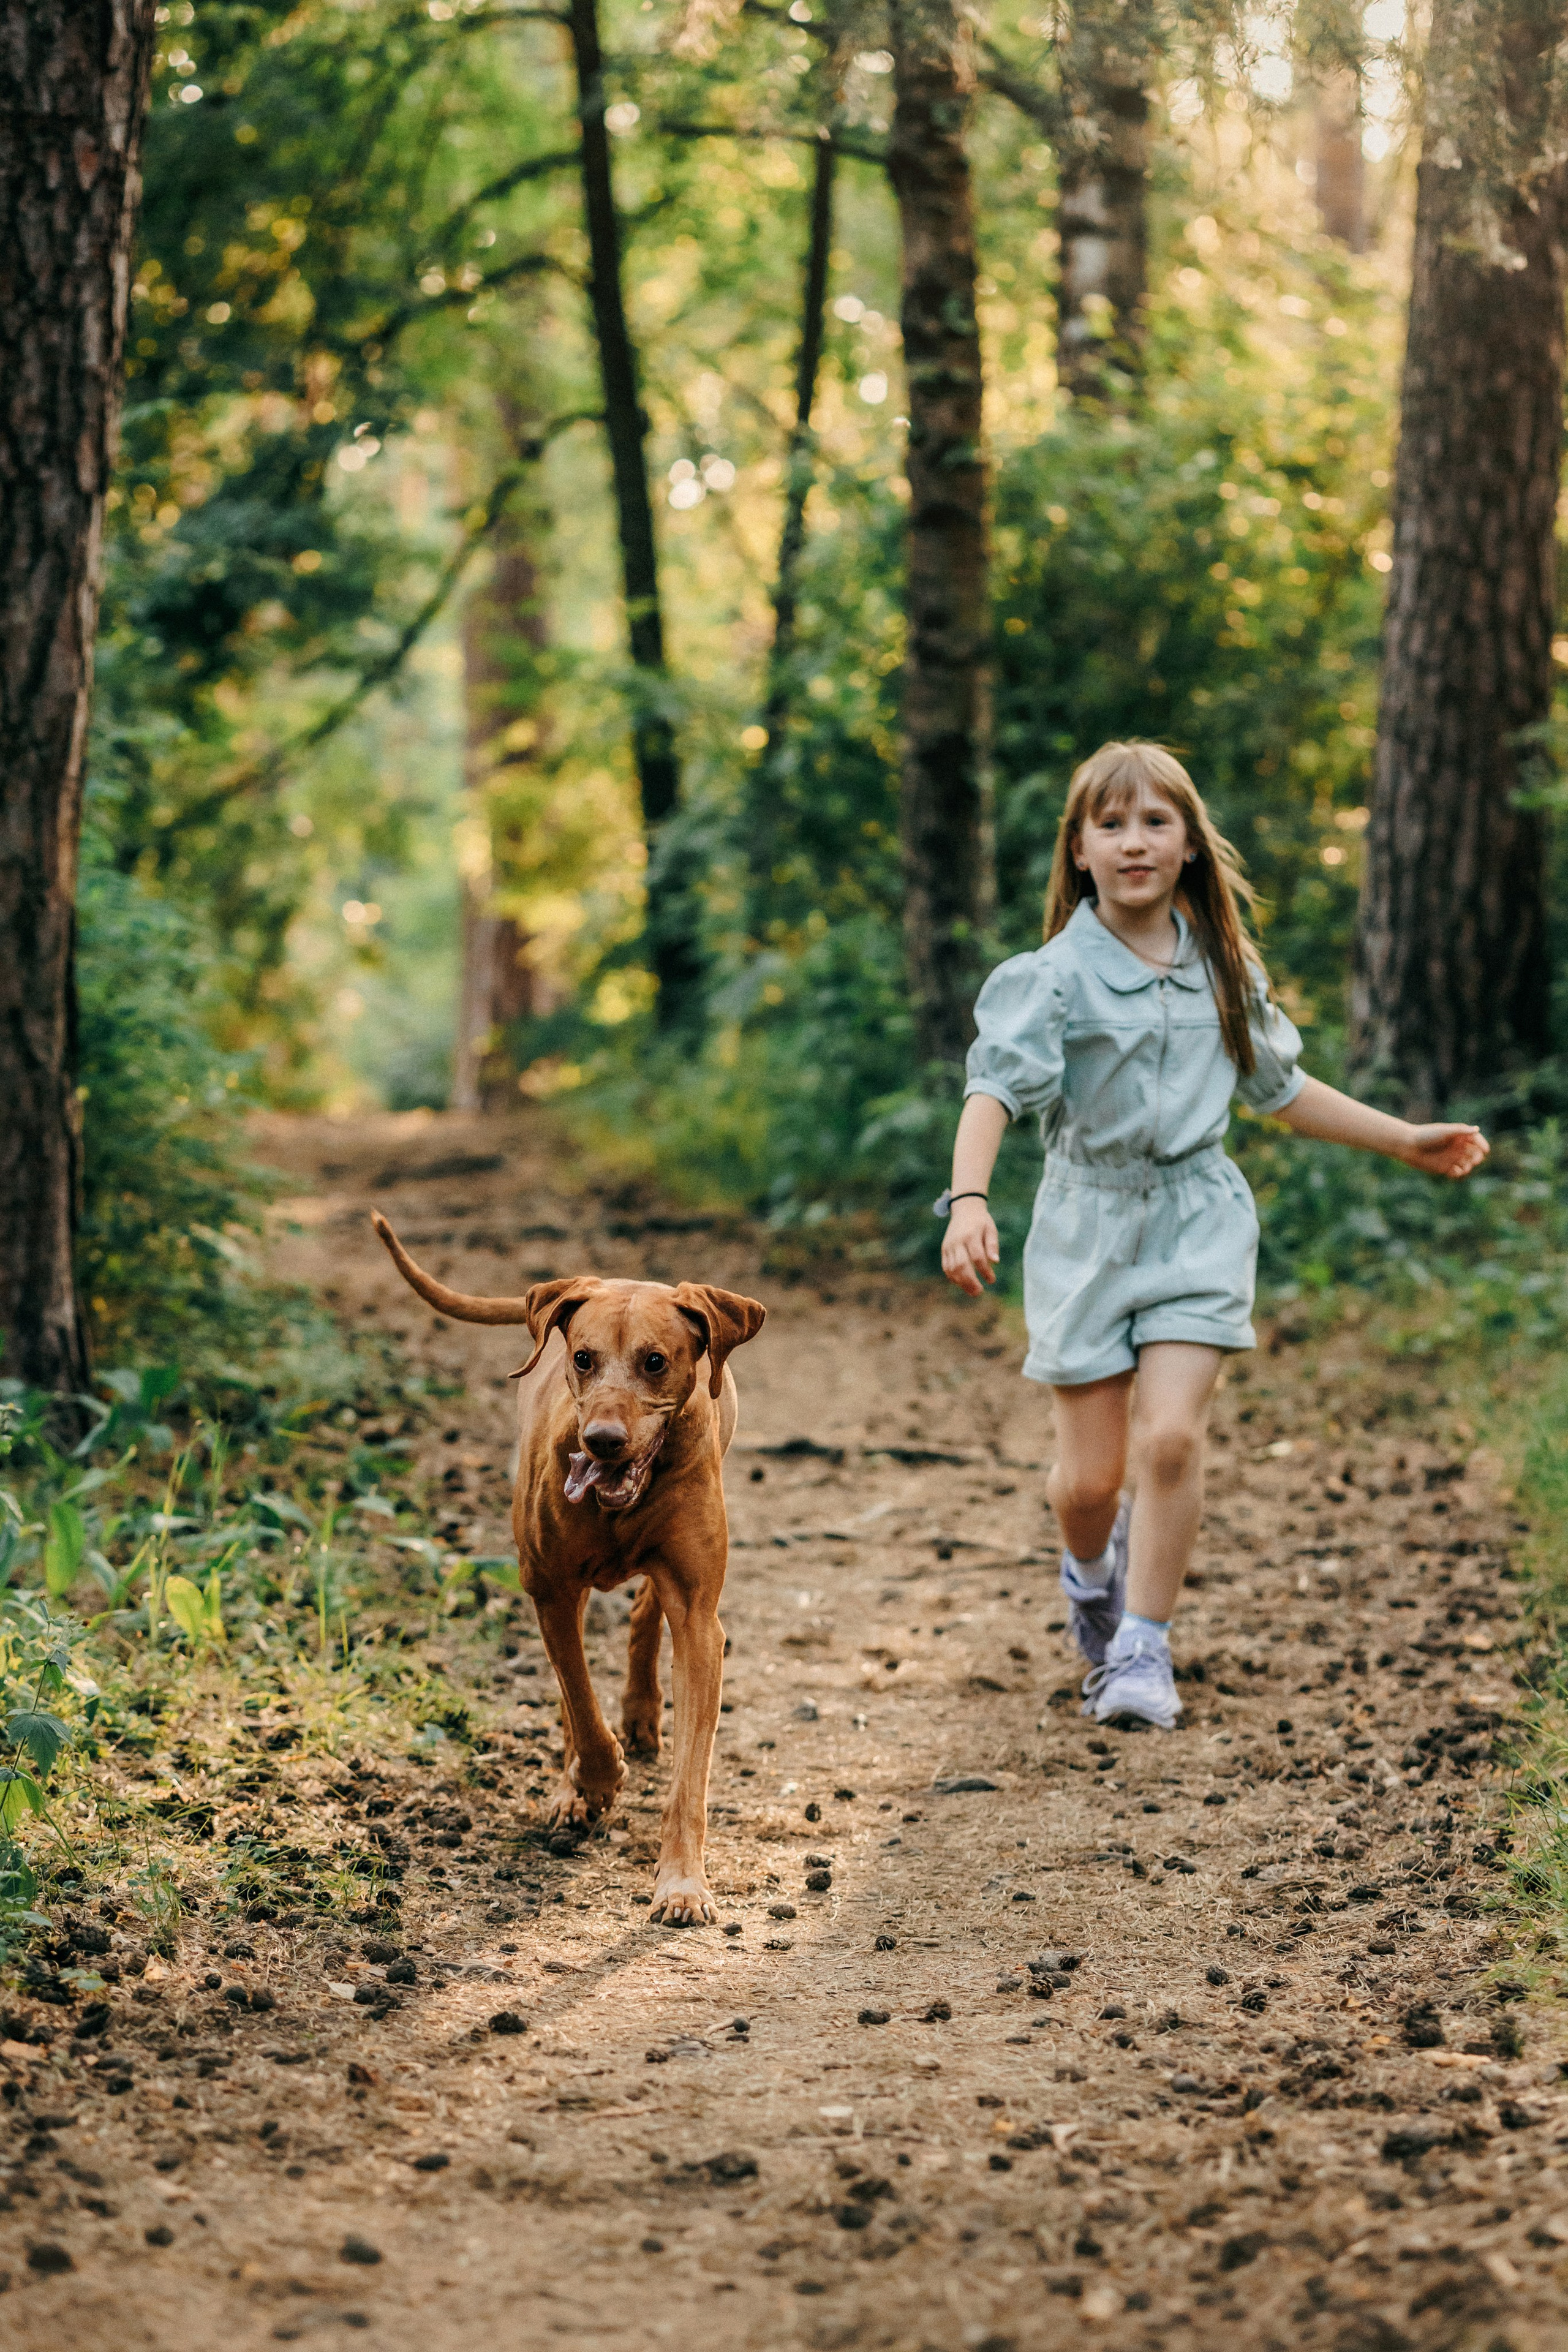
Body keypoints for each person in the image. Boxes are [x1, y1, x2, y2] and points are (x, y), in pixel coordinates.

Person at [939, 741, 1488, 1732]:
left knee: (1172, 1438)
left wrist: (1404, 1138)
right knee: (1089, 1484)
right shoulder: (1050, 978)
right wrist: (968, 1199)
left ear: (1189, 843)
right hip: (1086, 1229)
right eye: (1111, 825)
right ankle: (1090, 1573)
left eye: (1155, 822)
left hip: (1198, 1219)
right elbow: (994, 1091)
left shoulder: (1223, 968)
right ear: (1079, 850)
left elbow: (1280, 1088)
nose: (1134, 842)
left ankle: (1143, 1647)